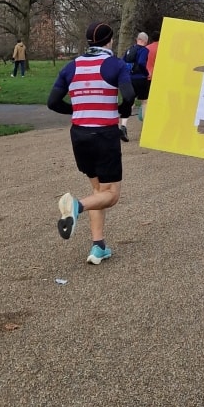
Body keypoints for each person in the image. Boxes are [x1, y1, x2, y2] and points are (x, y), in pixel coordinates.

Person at [47, 22, 135, 264]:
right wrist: (122, 110)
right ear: (110, 41)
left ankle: (98, 247)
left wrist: (76, 109)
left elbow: (52, 102)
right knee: (112, 195)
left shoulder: (71, 66)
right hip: (104, 135)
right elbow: (128, 95)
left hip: (79, 134)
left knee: (99, 190)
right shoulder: (115, 64)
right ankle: (77, 206)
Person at [118, 32, 150, 140]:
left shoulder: (129, 50)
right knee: (144, 101)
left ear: (137, 39)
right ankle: (146, 129)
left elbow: (122, 62)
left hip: (129, 79)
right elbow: (141, 63)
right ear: (145, 41)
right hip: (140, 79)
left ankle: (123, 126)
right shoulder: (144, 50)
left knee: (129, 103)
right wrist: (146, 73)